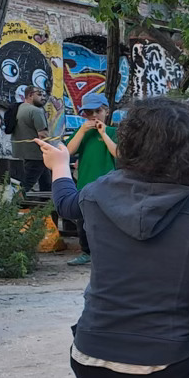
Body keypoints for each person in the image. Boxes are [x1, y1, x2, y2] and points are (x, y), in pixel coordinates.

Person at [38, 97, 189, 378]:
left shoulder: (95, 193)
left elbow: (65, 204)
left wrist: (61, 165)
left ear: (129, 144)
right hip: (168, 376)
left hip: (90, 368)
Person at [63, 93, 119, 266]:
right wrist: (82, 130)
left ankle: (108, 253)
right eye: (89, 112)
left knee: (108, 221)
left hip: (109, 185)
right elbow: (68, 151)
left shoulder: (114, 132)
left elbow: (118, 153)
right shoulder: (83, 134)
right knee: (83, 221)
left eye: (98, 111)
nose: (94, 115)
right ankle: (86, 252)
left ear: (106, 112)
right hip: (85, 184)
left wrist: (104, 134)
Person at [11, 87, 51, 192]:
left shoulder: (19, 108)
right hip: (35, 156)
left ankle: (46, 206)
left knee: (47, 184)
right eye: (39, 94)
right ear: (30, 95)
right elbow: (43, 135)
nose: (43, 97)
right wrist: (51, 151)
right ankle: (12, 206)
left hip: (20, 154)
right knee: (25, 187)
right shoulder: (36, 111)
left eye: (44, 95)